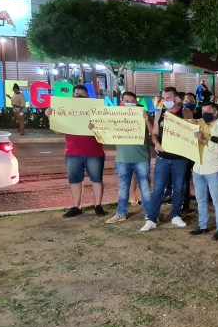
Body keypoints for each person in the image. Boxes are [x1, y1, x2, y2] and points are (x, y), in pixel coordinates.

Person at [45, 85, 106, 218]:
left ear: (87, 96)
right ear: (72, 95)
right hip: (72, 151)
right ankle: (76, 206)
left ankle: (98, 205)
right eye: (76, 94)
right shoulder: (67, 110)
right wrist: (50, 117)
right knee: (75, 180)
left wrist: (97, 126)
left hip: (94, 151)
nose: (78, 96)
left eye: (82, 94)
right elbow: (57, 131)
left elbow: (105, 131)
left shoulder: (96, 110)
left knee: (96, 179)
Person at [140, 87, 193, 232]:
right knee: (158, 189)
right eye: (164, 98)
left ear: (176, 98)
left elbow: (190, 133)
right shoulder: (160, 113)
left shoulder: (185, 112)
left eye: (169, 98)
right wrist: (156, 143)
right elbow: (155, 133)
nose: (166, 101)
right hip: (162, 158)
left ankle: (176, 215)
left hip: (180, 159)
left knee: (179, 188)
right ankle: (151, 218)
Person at [102, 92, 152, 224]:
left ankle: (150, 214)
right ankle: (121, 213)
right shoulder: (116, 116)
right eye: (126, 100)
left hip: (141, 158)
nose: (129, 102)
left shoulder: (143, 114)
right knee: (123, 189)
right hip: (122, 159)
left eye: (132, 100)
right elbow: (106, 131)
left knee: (145, 189)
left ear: (136, 101)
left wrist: (146, 119)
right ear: (122, 102)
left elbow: (153, 132)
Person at [188, 102, 218, 240]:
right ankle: (203, 226)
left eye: (208, 111)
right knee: (201, 200)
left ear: (215, 112)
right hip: (198, 168)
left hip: (213, 169)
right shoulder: (199, 123)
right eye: (203, 112)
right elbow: (187, 123)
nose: (204, 114)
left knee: (217, 200)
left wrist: (205, 140)